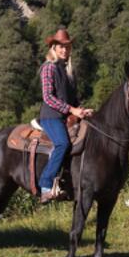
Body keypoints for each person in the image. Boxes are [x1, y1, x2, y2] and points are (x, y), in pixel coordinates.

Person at [38, 28, 93, 204]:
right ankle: (46, 185)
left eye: (67, 47)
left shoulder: (68, 72)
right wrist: (72, 109)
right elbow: (48, 98)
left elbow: (73, 99)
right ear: (53, 48)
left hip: (66, 116)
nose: (64, 50)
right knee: (62, 143)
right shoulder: (48, 68)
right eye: (60, 46)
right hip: (51, 117)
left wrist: (82, 110)